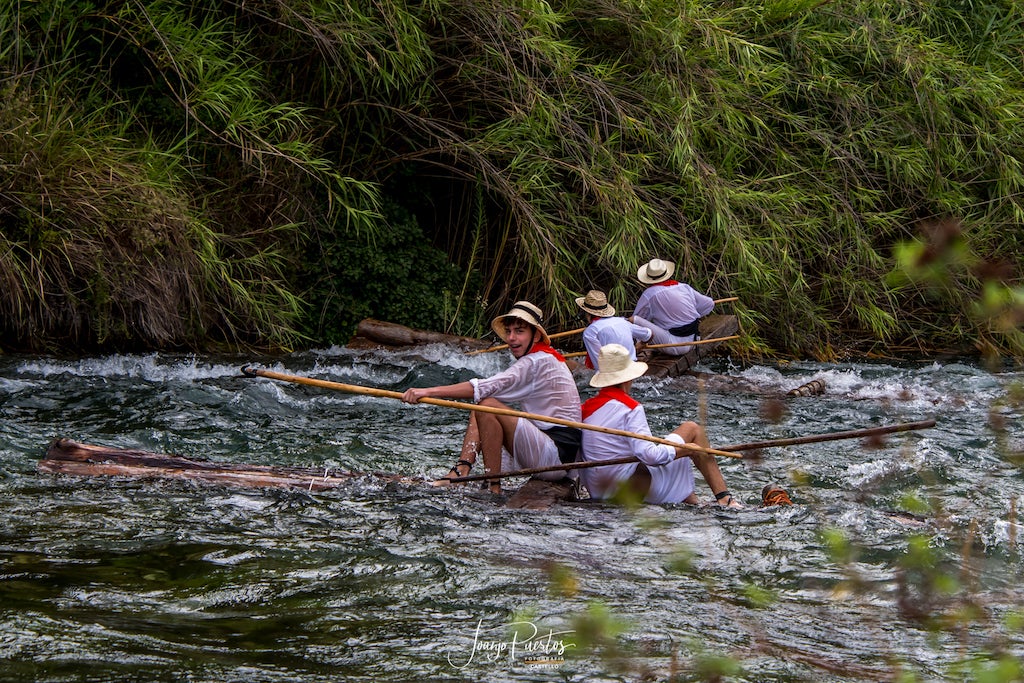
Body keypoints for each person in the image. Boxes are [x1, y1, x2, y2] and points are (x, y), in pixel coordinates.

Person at [401, 301, 582, 494]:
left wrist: (427, 391)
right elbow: (487, 389)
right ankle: (462, 469)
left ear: (536, 335)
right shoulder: (545, 358)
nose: (511, 338)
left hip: (555, 459)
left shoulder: (536, 362)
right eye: (509, 332)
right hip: (552, 451)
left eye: (519, 331)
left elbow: (484, 387)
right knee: (483, 404)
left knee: (486, 403)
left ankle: (492, 486)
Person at [579, 343, 742, 507]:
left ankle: (694, 502)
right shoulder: (630, 408)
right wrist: (686, 449)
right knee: (692, 430)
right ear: (628, 378)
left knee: (681, 440)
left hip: (600, 489)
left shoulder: (586, 409)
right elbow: (651, 456)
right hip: (627, 489)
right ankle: (725, 499)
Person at [632, 258, 715, 356]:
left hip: (674, 345)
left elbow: (637, 321)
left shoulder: (650, 294)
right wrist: (689, 314)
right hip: (694, 339)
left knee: (634, 320)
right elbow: (709, 304)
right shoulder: (683, 287)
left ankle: (636, 349)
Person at [576, 289, 653, 370]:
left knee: (572, 365)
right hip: (632, 369)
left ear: (587, 313)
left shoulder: (590, 332)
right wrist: (639, 346)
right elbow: (649, 334)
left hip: (613, 374)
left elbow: (599, 364)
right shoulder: (622, 321)